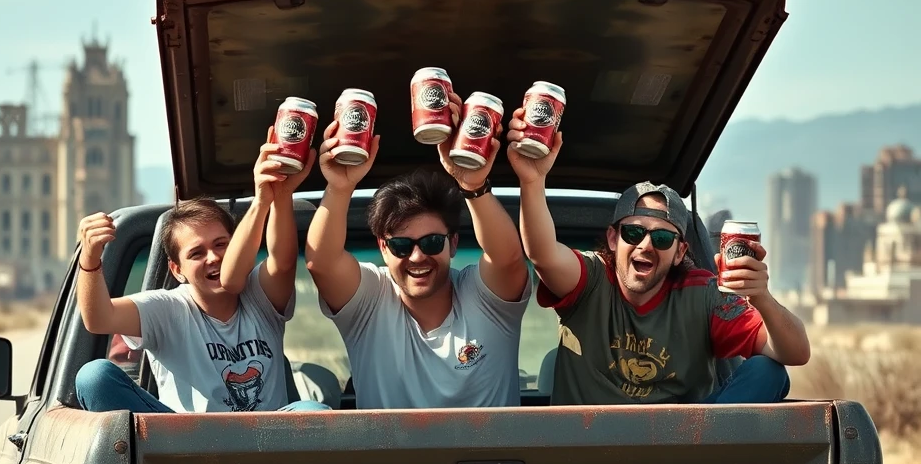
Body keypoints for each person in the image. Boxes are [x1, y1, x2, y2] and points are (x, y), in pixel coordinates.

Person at [508, 120, 811, 405]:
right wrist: (532, 181)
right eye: (634, 232)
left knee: (769, 372)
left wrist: (762, 298)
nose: (646, 245)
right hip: (588, 453)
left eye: (662, 239)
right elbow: (543, 255)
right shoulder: (592, 279)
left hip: (681, 454)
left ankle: (706, 455)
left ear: (680, 252)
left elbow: (796, 352)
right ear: (613, 239)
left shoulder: (702, 294)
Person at [74, 130, 327, 414]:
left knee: (314, 411)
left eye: (222, 245)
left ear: (240, 245)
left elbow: (282, 262)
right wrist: (91, 258)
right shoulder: (167, 309)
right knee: (94, 377)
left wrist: (277, 197)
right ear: (177, 269)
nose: (213, 258)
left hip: (267, 446)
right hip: (187, 447)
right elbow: (98, 319)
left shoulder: (259, 296)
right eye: (196, 253)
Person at [304, 93, 532, 409]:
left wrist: (473, 184)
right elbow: (321, 263)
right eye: (400, 245)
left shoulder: (482, 298)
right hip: (394, 460)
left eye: (431, 243)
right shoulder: (371, 299)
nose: (417, 257)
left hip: (485, 460)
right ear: (383, 248)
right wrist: (339, 188)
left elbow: (508, 259)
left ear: (453, 243)